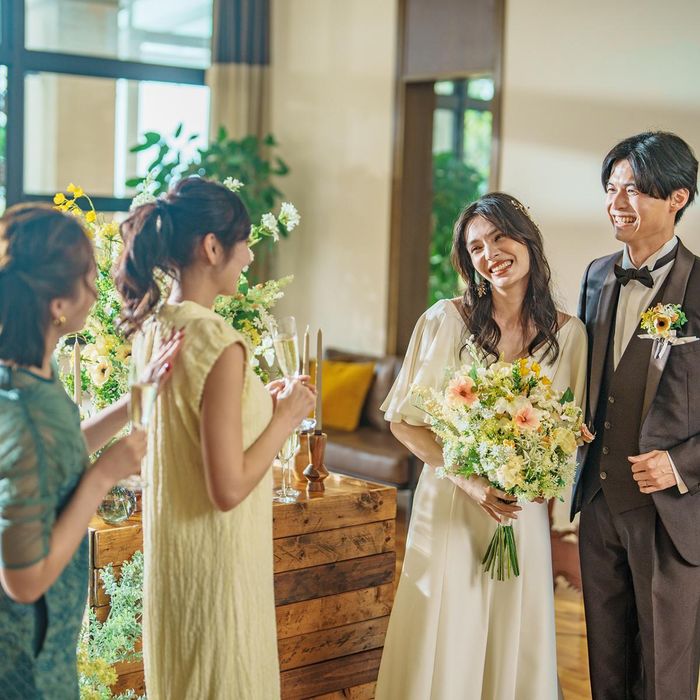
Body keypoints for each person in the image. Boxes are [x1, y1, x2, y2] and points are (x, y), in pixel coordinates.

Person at [374, 192, 587, 700]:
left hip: (520, 512)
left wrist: (535, 472)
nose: (490, 253)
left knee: (516, 632)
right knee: (448, 629)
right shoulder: (446, 320)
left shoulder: (570, 335)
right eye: (475, 248)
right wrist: (469, 480)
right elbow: (404, 422)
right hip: (451, 502)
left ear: (527, 239)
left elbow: (569, 432)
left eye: (499, 237)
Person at [115, 176, 315, 700]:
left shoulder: (152, 329)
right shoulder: (219, 341)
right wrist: (286, 417)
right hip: (219, 575)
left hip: (175, 569)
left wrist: (259, 403)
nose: (248, 257)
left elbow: (177, 429)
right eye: (243, 243)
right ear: (211, 247)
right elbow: (227, 488)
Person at [0, 204, 180, 699]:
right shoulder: (20, 411)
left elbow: (54, 456)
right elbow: (23, 581)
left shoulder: (30, 371)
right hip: (24, 663)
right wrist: (103, 476)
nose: (98, 291)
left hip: (48, 646)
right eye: (87, 278)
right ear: (58, 302)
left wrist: (135, 398)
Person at [572, 131, 700, 699]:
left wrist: (680, 464)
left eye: (634, 190)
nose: (617, 202)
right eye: (611, 188)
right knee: (607, 667)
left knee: (663, 677)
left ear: (677, 197)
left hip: (670, 515)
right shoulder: (597, 275)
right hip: (599, 504)